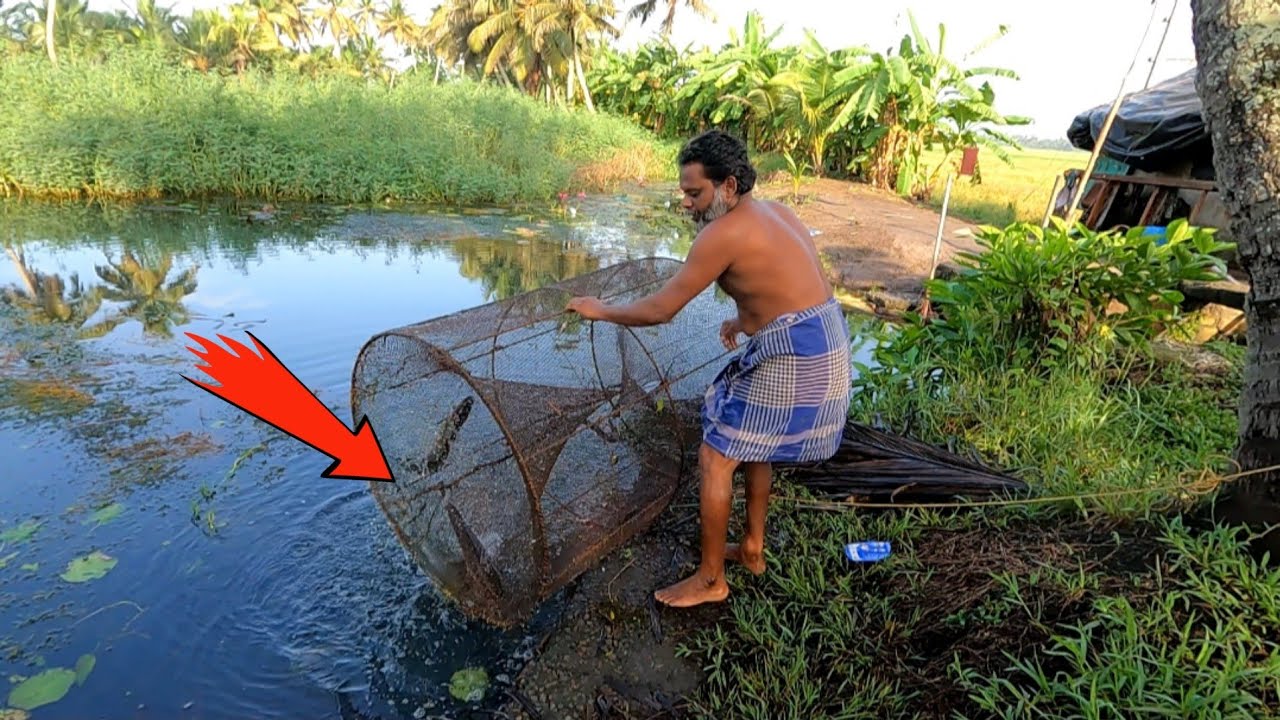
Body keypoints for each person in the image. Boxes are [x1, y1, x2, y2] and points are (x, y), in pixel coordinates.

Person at [566, 129, 852, 608]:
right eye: (684, 193)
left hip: (798, 354)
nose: (687, 204)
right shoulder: (776, 213)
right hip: (822, 336)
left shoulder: (723, 232)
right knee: (755, 442)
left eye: (695, 193)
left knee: (717, 456)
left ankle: (710, 579)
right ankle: (754, 549)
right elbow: (793, 282)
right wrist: (745, 318)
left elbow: (662, 309)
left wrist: (602, 309)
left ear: (729, 186)